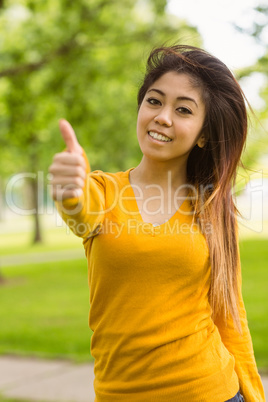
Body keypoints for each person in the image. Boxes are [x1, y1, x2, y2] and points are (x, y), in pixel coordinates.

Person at [49, 45, 265, 401]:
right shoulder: (103, 191)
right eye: (154, 101)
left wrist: (255, 395)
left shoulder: (211, 206)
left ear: (203, 135)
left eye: (183, 110)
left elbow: (230, 314)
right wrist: (69, 190)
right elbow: (80, 211)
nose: (163, 117)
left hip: (210, 390)